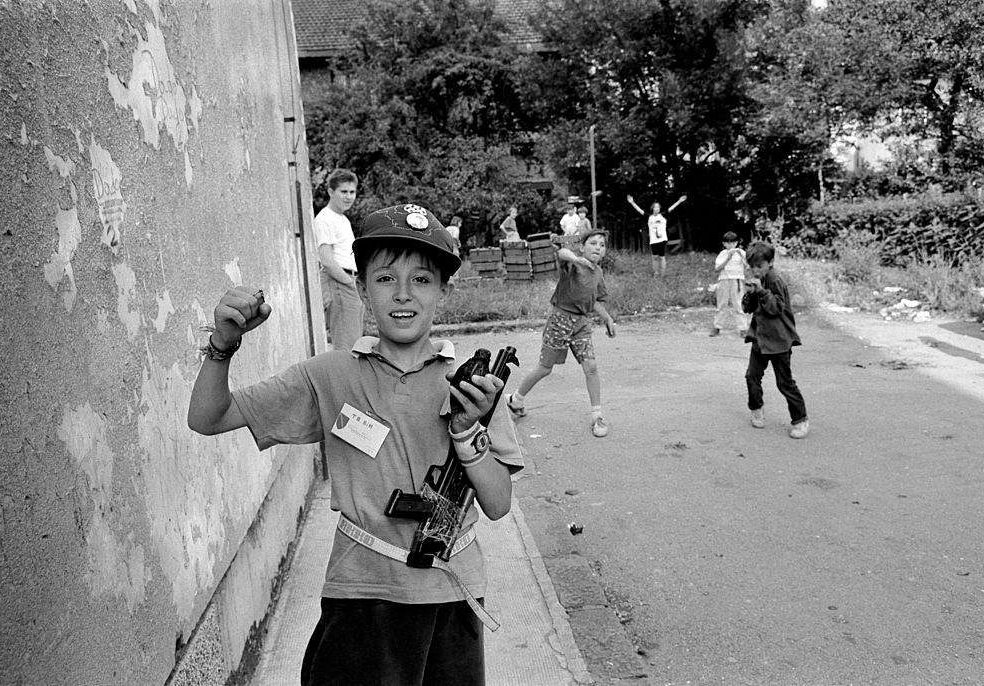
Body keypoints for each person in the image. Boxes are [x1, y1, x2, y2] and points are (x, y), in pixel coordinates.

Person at [187, 204, 523, 685]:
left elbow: (498, 503)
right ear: (361, 288)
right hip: (361, 597)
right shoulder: (330, 376)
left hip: (454, 596)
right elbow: (208, 417)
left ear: (443, 291)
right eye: (385, 278)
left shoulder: (473, 386)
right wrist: (223, 345)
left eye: (422, 279)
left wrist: (468, 431)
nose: (403, 294)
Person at [505, 228, 617, 438]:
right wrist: (577, 259)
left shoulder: (598, 273)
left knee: (591, 367)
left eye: (602, 245)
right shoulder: (572, 265)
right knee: (545, 368)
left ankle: (597, 415)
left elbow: (595, 302)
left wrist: (608, 318)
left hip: (581, 324)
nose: (598, 248)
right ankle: (515, 400)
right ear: (583, 247)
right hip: (560, 320)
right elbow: (561, 254)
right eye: (593, 243)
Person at [741, 241, 808, 439]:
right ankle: (756, 408)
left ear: (770, 263)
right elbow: (747, 308)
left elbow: (774, 310)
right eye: (752, 266)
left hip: (779, 339)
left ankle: (800, 419)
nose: (755, 270)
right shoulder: (757, 279)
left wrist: (761, 291)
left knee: (784, 383)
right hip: (760, 339)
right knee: (752, 376)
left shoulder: (776, 280)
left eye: (759, 266)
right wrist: (751, 294)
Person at [315, 168, 364, 351]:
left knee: (354, 341)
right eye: (343, 192)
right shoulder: (325, 218)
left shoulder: (342, 218)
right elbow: (327, 260)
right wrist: (349, 284)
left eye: (352, 192)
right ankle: (343, 380)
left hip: (350, 280)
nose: (349, 197)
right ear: (330, 192)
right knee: (346, 345)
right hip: (340, 282)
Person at [626, 194, 686, 277]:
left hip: (662, 239)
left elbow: (671, 208)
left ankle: (663, 274)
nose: (657, 208)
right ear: (652, 208)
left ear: (659, 208)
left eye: (658, 207)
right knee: (654, 257)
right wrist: (632, 202)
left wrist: (679, 201)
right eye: (655, 207)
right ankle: (656, 273)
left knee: (661, 256)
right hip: (653, 240)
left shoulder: (663, 215)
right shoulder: (649, 217)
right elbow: (640, 211)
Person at [710, 231, 748, 336]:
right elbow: (717, 268)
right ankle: (717, 327)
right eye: (728, 243)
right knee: (722, 304)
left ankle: (743, 328)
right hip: (724, 279)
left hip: (737, 279)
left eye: (733, 242)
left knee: (738, 304)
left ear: (736, 243)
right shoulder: (722, 254)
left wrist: (740, 255)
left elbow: (747, 266)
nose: (730, 245)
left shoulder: (742, 252)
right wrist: (728, 258)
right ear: (724, 243)